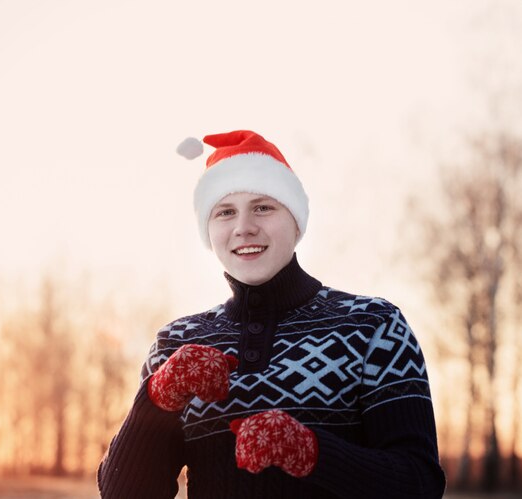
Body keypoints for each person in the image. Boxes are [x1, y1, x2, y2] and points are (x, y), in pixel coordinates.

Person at [97, 130, 446, 498]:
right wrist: (158, 400)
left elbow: (420, 484)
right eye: (225, 212)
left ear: (295, 222)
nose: (243, 227)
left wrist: (313, 452)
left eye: (263, 206)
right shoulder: (177, 342)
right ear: (209, 230)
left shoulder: (373, 325)